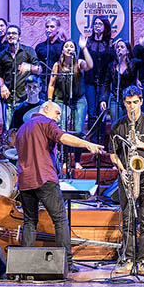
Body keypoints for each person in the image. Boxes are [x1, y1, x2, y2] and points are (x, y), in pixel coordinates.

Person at [15, 101, 102, 273]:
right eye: (57, 112)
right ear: (45, 109)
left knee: (29, 222)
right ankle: (67, 264)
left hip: (25, 181)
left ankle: (24, 265)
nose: (58, 117)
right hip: (44, 177)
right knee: (60, 220)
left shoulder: (22, 129)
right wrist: (87, 144)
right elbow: (63, 137)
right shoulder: (46, 123)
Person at [108, 86, 144, 275]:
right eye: (128, 103)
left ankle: (143, 261)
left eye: (135, 102)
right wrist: (122, 169)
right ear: (124, 103)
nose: (131, 107)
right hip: (127, 176)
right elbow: (112, 154)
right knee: (127, 219)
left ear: (141, 101)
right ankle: (128, 259)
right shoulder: (118, 125)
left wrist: (140, 144)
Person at [0, 24, 42, 129]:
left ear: (19, 37)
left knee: (25, 129)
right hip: (9, 98)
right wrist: (2, 85)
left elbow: (39, 69)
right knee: (9, 130)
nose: (11, 35)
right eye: (9, 33)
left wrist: (30, 67)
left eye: (14, 33)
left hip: (24, 97)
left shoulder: (28, 51)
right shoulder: (2, 55)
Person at [47, 38, 92, 134]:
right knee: (61, 129)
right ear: (62, 50)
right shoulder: (57, 65)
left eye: (71, 47)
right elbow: (51, 84)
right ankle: (60, 149)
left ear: (75, 51)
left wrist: (84, 48)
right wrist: (50, 101)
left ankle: (76, 148)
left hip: (78, 100)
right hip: (61, 100)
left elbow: (89, 66)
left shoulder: (79, 63)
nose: (68, 49)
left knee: (78, 130)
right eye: (66, 46)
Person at [84, 16, 113, 138]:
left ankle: (100, 141)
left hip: (104, 83)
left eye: (100, 24)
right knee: (91, 112)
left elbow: (112, 64)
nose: (97, 26)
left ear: (105, 26)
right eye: (95, 24)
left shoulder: (110, 44)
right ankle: (92, 140)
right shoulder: (88, 42)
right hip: (89, 81)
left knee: (101, 112)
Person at [102, 38, 139, 125]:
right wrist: (103, 99)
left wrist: (138, 79)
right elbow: (106, 83)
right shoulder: (112, 66)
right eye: (118, 47)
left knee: (129, 124)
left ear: (128, 51)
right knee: (115, 124)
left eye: (122, 47)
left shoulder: (133, 64)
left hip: (129, 98)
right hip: (115, 98)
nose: (119, 49)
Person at [34, 16, 64, 86]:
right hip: (43, 82)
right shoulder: (40, 47)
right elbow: (35, 63)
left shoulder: (63, 45)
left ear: (58, 29)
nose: (48, 29)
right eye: (47, 27)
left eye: (52, 27)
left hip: (59, 82)